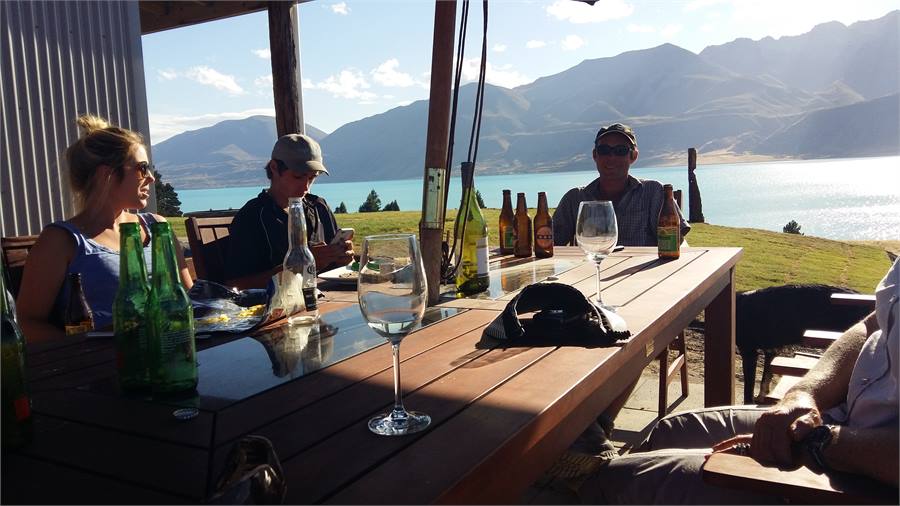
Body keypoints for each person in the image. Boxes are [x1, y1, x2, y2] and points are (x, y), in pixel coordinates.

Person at [577, 257, 899, 504]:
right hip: (836, 417)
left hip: (856, 472)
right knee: (666, 431)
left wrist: (820, 444)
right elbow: (872, 325)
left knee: (614, 483)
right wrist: (805, 392)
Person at [16, 115, 193, 343]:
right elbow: (27, 323)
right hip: (103, 369)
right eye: (141, 168)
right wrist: (87, 351)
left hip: (170, 354)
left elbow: (188, 297)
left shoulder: (158, 227)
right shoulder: (61, 241)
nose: (151, 178)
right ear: (106, 175)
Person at [224, 133, 353, 289]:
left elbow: (333, 269)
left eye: (312, 177)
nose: (306, 187)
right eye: (298, 176)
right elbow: (237, 285)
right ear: (274, 168)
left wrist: (343, 259)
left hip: (324, 299)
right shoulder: (252, 217)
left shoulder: (318, 207)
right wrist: (302, 266)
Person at [552, 123, 690, 246]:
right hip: (591, 271)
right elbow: (547, 244)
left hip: (643, 272)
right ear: (595, 155)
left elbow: (677, 243)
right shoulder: (575, 198)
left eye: (620, 151)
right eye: (604, 150)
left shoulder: (653, 192)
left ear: (633, 156)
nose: (611, 157)